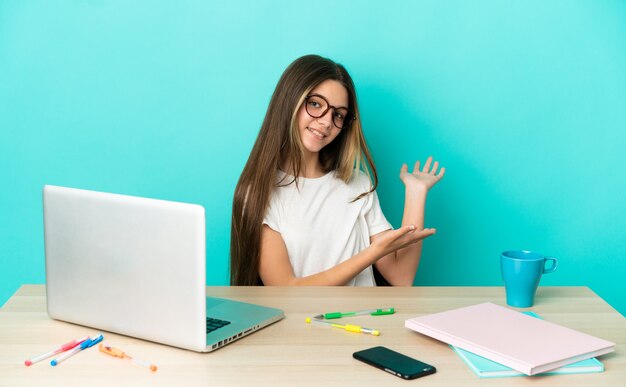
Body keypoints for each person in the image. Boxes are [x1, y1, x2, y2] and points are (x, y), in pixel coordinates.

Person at [230, 54, 444, 286]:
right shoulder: (258, 193)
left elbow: (401, 276)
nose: (326, 122)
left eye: (338, 114)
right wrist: (371, 254)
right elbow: (286, 289)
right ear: (289, 101)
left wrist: (416, 191)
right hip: (303, 322)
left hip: (364, 320)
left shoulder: (357, 183)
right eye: (315, 104)